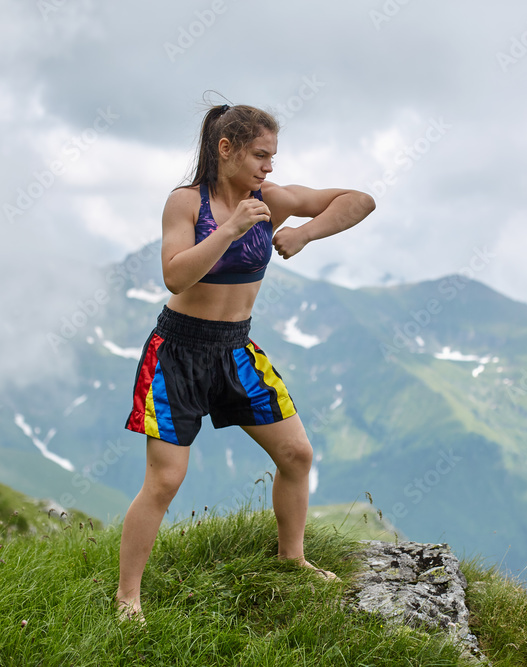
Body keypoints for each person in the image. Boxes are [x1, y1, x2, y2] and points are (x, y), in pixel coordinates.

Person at [115, 103, 375, 623]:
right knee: (165, 481)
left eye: (273, 156)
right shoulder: (186, 203)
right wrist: (230, 229)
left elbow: (360, 201)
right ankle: (127, 598)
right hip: (177, 352)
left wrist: (303, 233)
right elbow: (174, 276)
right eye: (260, 155)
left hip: (236, 349)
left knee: (297, 455)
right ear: (225, 149)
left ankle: (291, 557)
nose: (269, 167)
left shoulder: (270, 199)